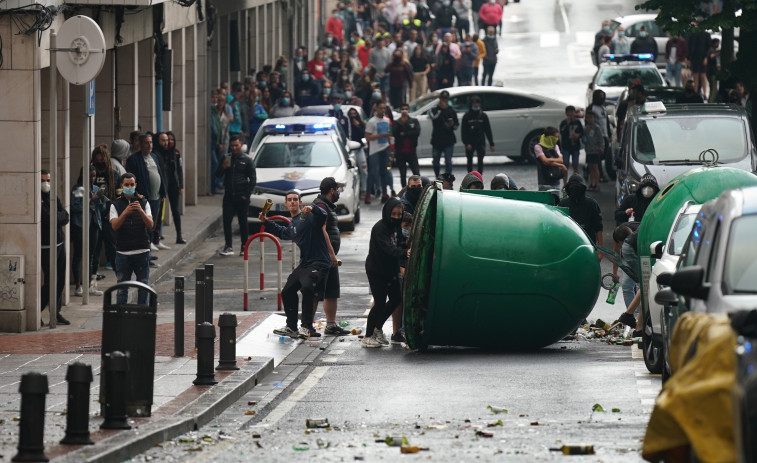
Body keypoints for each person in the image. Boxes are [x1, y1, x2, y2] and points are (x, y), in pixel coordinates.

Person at [265, 192, 334, 339]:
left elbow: (322, 216)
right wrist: (265, 221)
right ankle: (291, 327)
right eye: (289, 200)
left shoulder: (310, 217)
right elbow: (283, 233)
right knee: (287, 291)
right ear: (286, 204)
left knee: (307, 288)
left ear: (300, 202)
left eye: (295, 200)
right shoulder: (294, 223)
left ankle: (307, 327)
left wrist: (313, 207)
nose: (292, 202)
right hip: (305, 264)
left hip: (319, 263)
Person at [362, 198, 410, 347]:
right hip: (377, 270)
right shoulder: (380, 228)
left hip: (390, 270)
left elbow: (400, 243)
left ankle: (377, 329)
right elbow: (388, 249)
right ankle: (368, 336)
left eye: (399, 214)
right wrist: (405, 253)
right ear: (387, 212)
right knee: (380, 302)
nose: (396, 217)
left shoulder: (395, 227)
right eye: (393, 214)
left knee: (396, 299)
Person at [312, 178, 352, 336]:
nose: (339, 194)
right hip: (323, 257)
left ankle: (331, 324)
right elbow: (322, 231)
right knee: (316, 292)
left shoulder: (326, 206)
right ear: (331, 190)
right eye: (338, 190)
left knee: (332, 291)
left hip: (330, 257)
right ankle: (307, 325)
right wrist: (330, 254)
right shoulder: (321, 206)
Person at [109, 172, 154, 305]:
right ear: (122, 186)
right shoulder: (115, 205)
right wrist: (125, 212)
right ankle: (121, 317)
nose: (129, 187)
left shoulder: (144, 202)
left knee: (143, 286)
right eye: (127, 185)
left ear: (136, 185)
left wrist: (140, 211)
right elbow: (115, 226)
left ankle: (142, 315)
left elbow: (150, 225)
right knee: (122, 288)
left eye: (132, 184)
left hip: (142, 251)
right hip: (123, 253)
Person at [125, 133, 167, 253]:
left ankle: (150, 247)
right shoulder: (134, 159)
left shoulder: (154, 157)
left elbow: (160, 175)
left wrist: (162, 192)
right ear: (140, 144)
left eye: (150, 143)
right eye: (146, 143)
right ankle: (145, 251)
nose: (149, 145)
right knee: (144, 226)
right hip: (144, 198)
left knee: (152, 225)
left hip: (156, 197)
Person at [216, 136, 256, 256]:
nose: (234, 148)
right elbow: (217, 175)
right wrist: (223, 167)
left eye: (236, 146)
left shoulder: (247, 160)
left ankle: (244, 247)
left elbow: (253, 179)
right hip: (229, 196)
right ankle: (228, 246)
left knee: (243, 222)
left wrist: (246, 195)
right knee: (227, 221)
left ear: (241, 145)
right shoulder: (226, 158)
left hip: (241, 197)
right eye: (232, 146)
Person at [71, 165, 106, 297]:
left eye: (94, 176)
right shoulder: (79, 189)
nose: (92, 178)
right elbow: (75, 206)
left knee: (92, 254)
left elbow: (101, 209)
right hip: (80, 225)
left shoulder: (96, 188)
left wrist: (101, 199)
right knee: (79, 254)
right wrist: (90, 200)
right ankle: (78, 285)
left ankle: (90, 284)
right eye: (90, 176)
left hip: (94, 224)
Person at [41, 169, 71, 325]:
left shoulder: (52, 196)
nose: (46, 184)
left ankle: (56, 312)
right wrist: (56, 217)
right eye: (43, 180)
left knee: (60, 280)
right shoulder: (38, 198)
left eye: (48, 180)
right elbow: (46, 218)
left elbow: (65, 215)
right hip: (46, 246)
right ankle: (38, 309)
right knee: (50, 282)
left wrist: (56, 217)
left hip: (59, 243)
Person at [559, 174, 604, 249]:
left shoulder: (592, 204)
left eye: (577, 186)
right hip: (568, 246)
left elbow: (598, 227)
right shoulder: (563, 204)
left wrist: (600, 250)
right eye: (572, 186)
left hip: (588, 245)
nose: (575, 188)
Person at [156, 132, 186, 244]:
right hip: (162, 184)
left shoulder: (176, 153)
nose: (169, 142)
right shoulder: (159, 153)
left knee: (176, 210)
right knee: (159, 210)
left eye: (171, 140)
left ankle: (179, 235)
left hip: (173, 184)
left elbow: (179, 170)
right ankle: (157, 235)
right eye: (167, 140)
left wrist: (181, 185)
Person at [365, 101, 393, 204]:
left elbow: (389, 136)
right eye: (381, 108)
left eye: (384, 108)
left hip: (385, 148)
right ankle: (368, 194)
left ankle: (384, 194)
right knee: (372, 172)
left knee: (384, 172)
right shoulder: (372, 122)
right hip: (374, 150)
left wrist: (390, 150)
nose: (383, 110)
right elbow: (367, 137)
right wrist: (380, 136)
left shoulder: (386, 120)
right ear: (376, 109)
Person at [461, 96, 495, 173]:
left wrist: (491, 143)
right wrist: (466, 143)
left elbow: (488, 130)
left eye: (477, 102)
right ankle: (469, 176)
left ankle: (480, 176)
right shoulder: (467, 116)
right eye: (474, 102)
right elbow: (464, 131)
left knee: (480, 161)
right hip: (470, 142)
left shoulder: (483, 116)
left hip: (480, 141)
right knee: (469, 160)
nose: (476, 104)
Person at [429, 90, 459, 178]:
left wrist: (452, 125)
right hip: (437, 139)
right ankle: (437, 177)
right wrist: (441, 109)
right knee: (436, 162)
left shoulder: (451, 110)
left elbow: (456, 125)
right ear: (439, 98)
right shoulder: (434, 109)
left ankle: (447, 178)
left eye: (446, 98)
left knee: (448, 161)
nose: (444, 100)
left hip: (448, 139)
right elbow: (433, 117)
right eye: (442, 98)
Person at [393, 103, 421, 187]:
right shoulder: (397, 122)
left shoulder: (414, 121)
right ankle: (404, 190)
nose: (404, 110)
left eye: (406, 108)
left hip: (411, 151)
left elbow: (416, 132)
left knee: (416, 173)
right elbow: (395, 133)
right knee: (403, 174)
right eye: (402, 109)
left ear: (408, 110)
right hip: (400, 152)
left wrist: (404, 133)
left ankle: (418, 188)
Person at [587, 89, 611, 182]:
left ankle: (590, 170)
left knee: (603, 155)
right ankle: (600, 175)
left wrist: (609, 134)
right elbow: (588, 123)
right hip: (595, 137)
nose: (602, 98)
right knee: (597, 156)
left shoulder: (603, 107)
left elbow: (606, 121)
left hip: (604, 135)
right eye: (600, 96)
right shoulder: (591, 108)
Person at [210, 91, 231, 194]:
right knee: (214, 163)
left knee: (224, 163)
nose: (220, 102)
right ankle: (214, 184)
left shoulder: (225, 115)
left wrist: (225, 143)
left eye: (222, 100)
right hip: (214, 142)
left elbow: (226, 130)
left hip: (224, 142)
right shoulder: (212, 112)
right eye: (218, 100)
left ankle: (220, 183)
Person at [534, 126, 566, 191]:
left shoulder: (556, 146)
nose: (556, 139)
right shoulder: (538, 147)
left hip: (556, 181)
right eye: (555, 137)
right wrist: (560, 165)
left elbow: (561, 160)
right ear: (549, 137)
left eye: (557, 137)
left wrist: (549, 160)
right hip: (543, 181)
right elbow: (544, 161)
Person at [346, 108, 368, 197]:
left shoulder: (361, 124)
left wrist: (358, 126)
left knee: (364, 171)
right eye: (351, 114)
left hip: (359, 149)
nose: (353, 116)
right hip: (350, 151)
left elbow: (363, 135)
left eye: (354, 114)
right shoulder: (347, 125)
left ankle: (364, 189)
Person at [687, 19, 711, 97]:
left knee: (701, 75)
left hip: (700, 57)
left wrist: (706, 57)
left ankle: (703, 93)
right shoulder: (693, 34)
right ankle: (697, 92)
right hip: (695, 57)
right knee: (697, 76)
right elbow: (689, 47)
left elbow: (708, 47)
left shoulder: (705, 35)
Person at [559, 105, 583, 180]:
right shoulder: (563, 123)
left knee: (575, 164)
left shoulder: (578, 122)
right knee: (565, 164)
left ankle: (576, 181)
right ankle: (565, 182)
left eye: (572, 112)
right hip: (566, 147)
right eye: (569, 112)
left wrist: (578, 135)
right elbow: (562, 132)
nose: (571, 114)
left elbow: (582, 132)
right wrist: (567, 123)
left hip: (575, 146)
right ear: (566, 113)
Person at [583, 111, 603, 192]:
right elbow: (584, 139)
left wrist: (601, 147)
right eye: (588, 117)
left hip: (595, 150)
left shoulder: (596, 128)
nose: (589, 119)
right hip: (589, 151)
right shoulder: (586, 128)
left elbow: (600, 139)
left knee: (595, 167)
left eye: (591, 117)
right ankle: (592, 183)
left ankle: (597, 184)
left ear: (594, 118)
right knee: (590, 168)